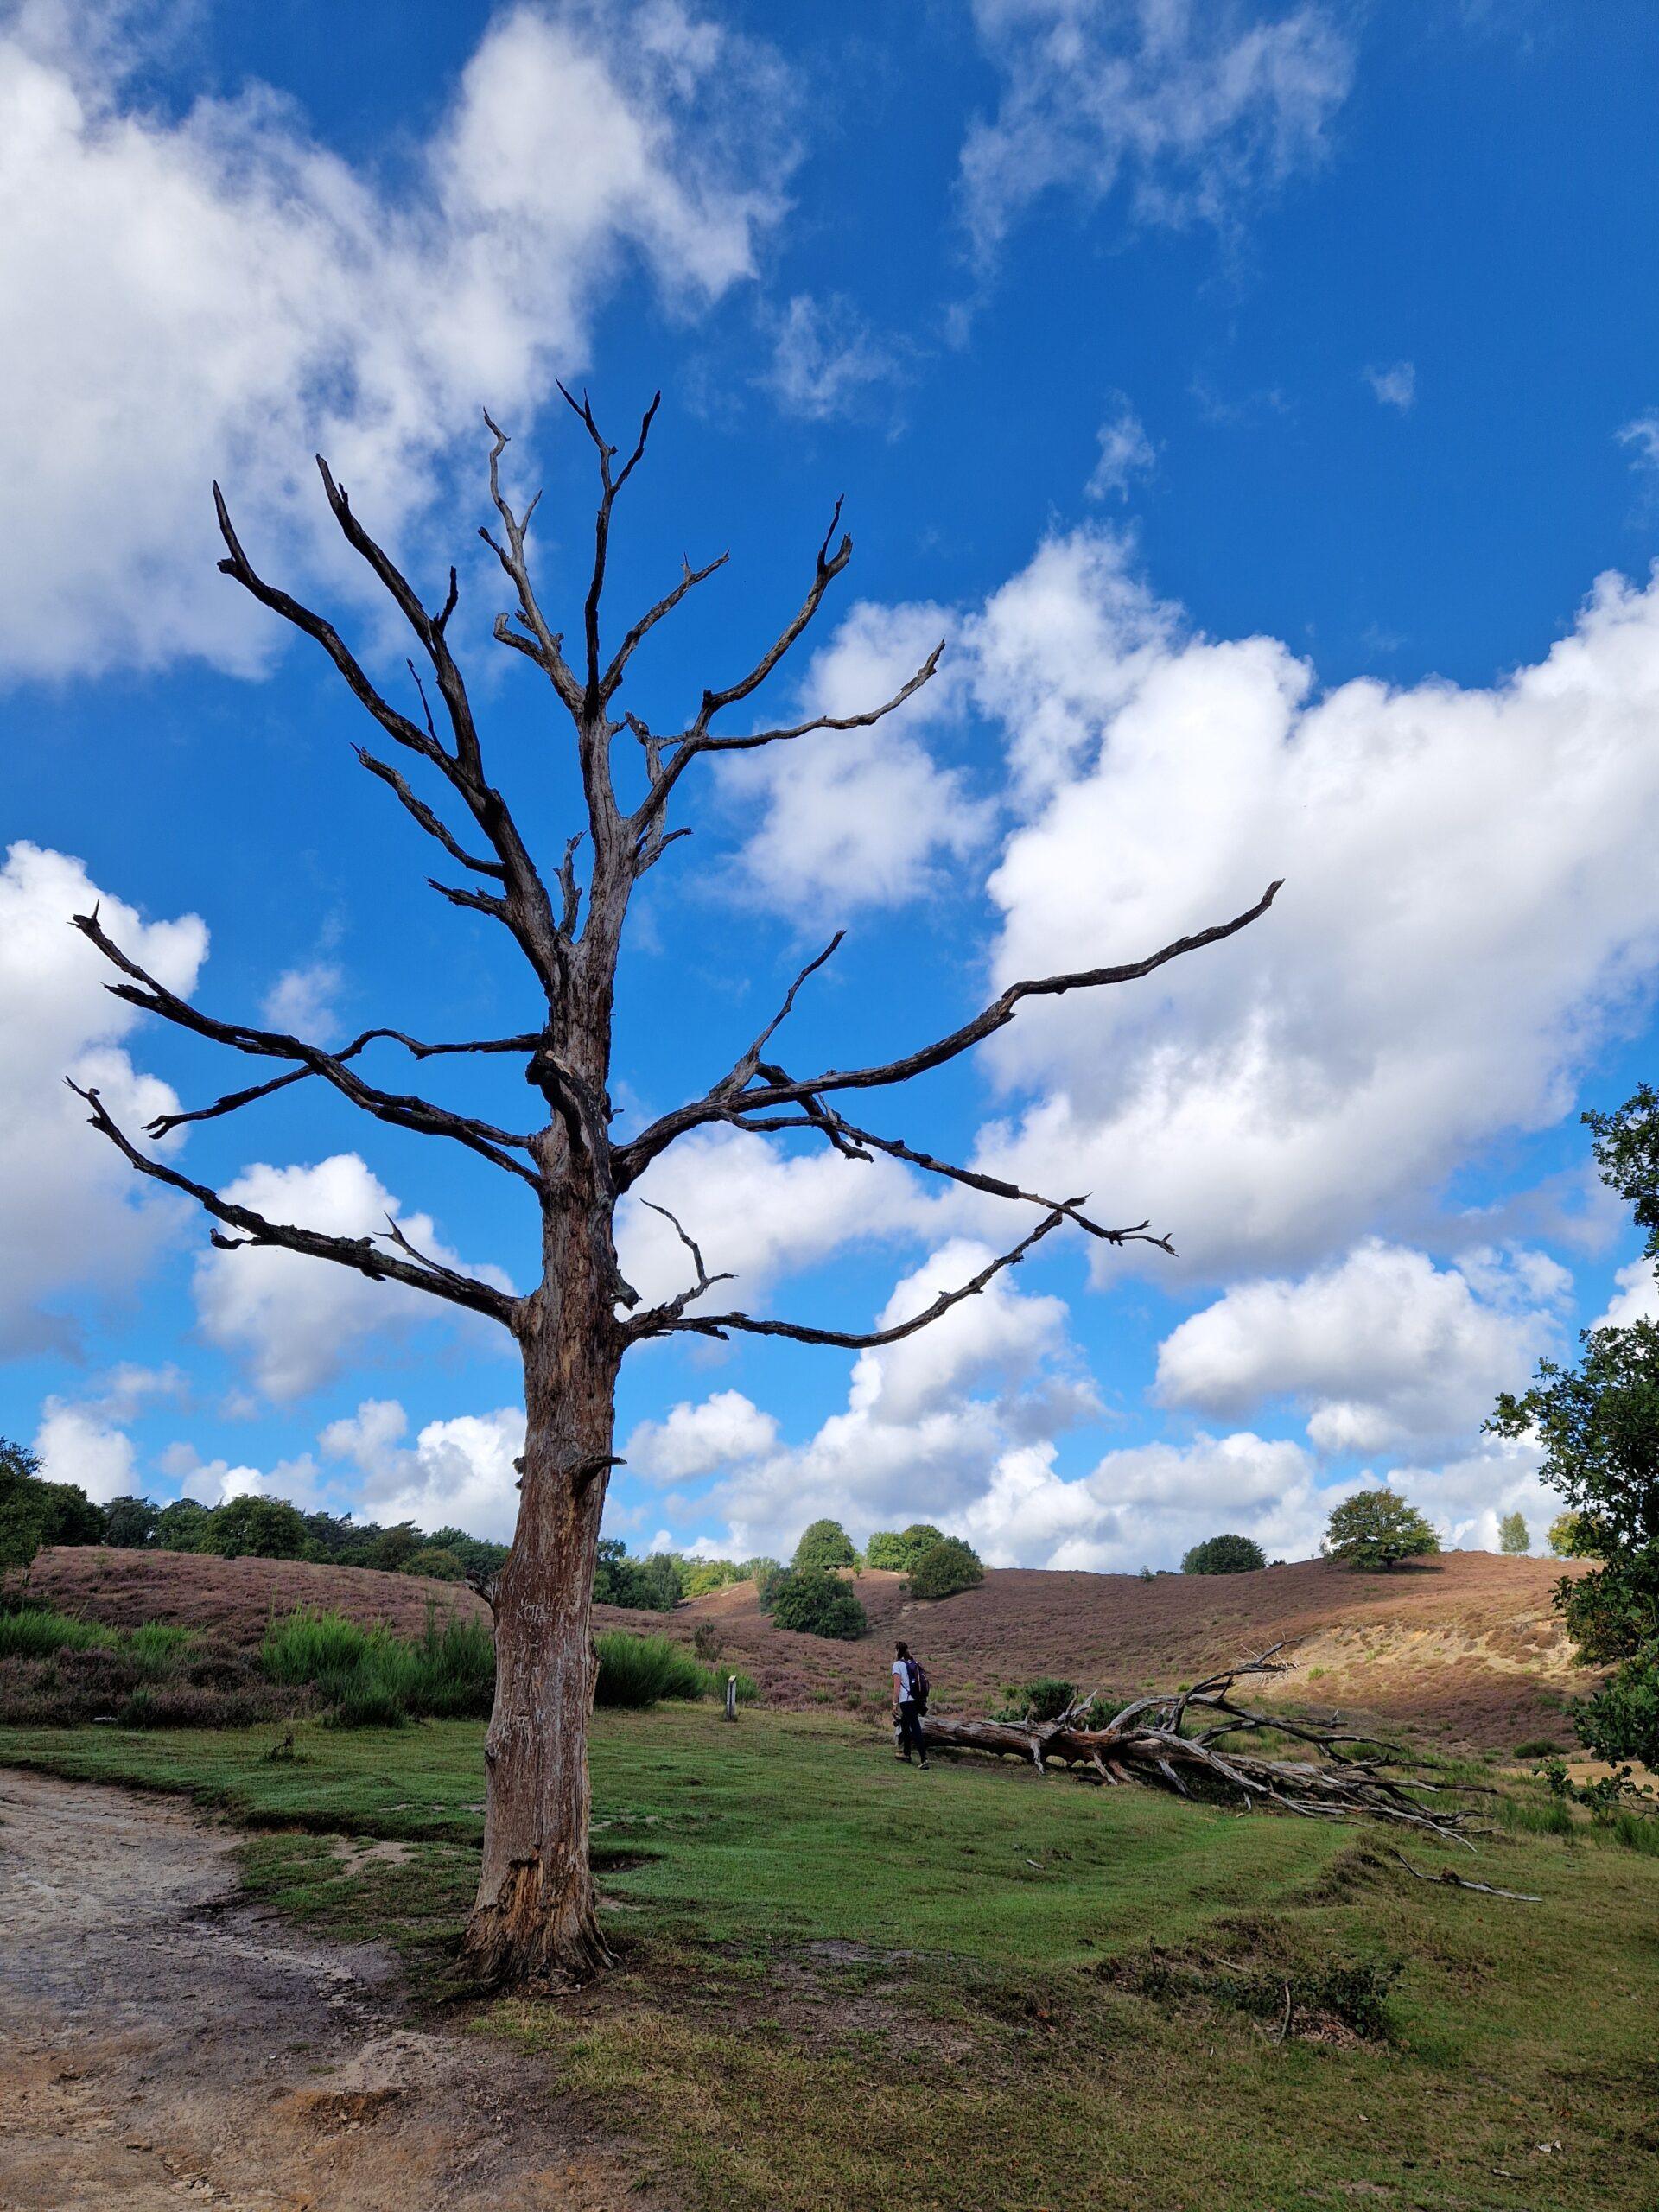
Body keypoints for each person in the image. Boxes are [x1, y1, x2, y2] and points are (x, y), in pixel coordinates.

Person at [892, 1639, 930, 1769]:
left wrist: (894, 1704)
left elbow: (897, 1687)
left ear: (898, 1651)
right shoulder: (911, 1663)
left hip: (906, 1701)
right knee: (905, 1724)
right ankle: (906, 1754)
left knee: (915, 1728)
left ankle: (924, 1759)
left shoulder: (897, 1664)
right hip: (915, 1700)